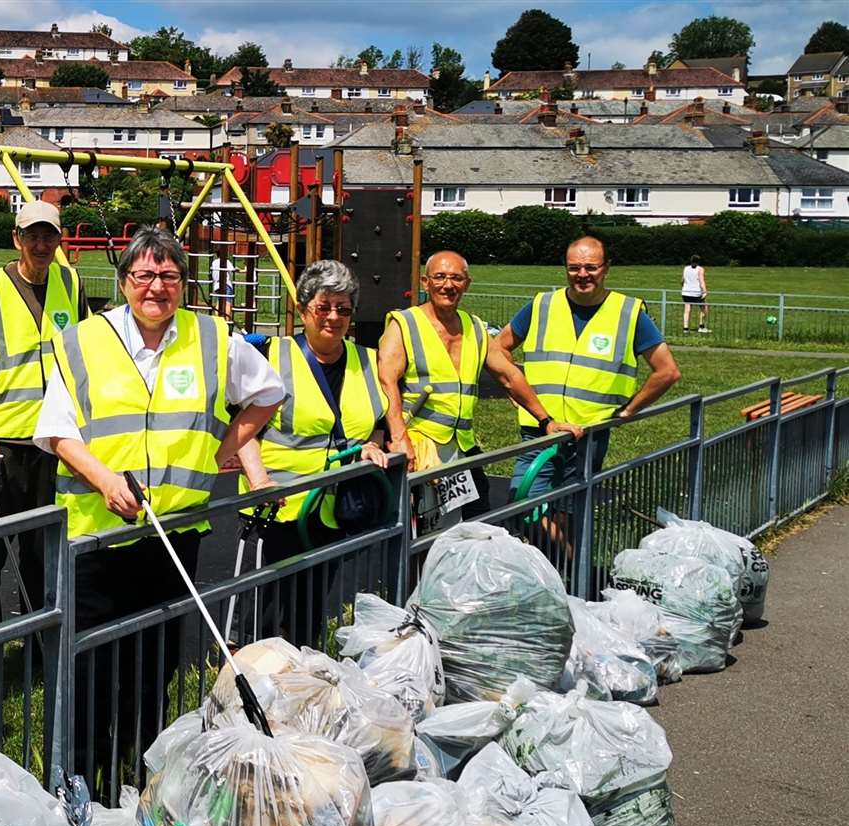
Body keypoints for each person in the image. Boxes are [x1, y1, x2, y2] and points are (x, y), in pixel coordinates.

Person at [37, 226, 283, 786]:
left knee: (155, 665)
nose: (156, 288)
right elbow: (57, 429)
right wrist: (103, 481)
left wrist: (226, 447)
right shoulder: (82, 340)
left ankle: (142, 777)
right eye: (144, 276)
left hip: (174, 534)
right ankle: (78, 782)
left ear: (182, 282)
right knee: (90, 668)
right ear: (124, 282)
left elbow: (267, 393)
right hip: (96, 538)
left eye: (169, 276)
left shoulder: (213, 338)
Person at [236, 260, 393, 643]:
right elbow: (242, 429)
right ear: (303, 309)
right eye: (323, 307)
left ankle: (304, 688)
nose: (333, 317)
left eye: (343, 308)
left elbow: (375, 416)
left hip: (332, 511)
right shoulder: (272, 357)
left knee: (309, 612)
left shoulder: (367, 361)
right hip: (278, 508)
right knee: (261, 617)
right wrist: (259, 480)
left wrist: (371, 444)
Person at [377, 250, 581, 527]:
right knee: (421, 530)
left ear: (467, 284)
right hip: (420, 445)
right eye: (439, 277)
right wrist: (400, 437)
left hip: (463, 445)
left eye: (456, 278)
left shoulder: (473, 327)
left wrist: (546, 420)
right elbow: (386, 379)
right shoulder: (404, 324)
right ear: (426, 282)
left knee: (476, 524)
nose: (448, 285)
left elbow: (509, 376)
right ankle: (416, 572)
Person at [0, 201, 86, 646]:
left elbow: (85, 355)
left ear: (59, 239)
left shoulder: (70, 283)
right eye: (31, 235)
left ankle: (41, 643)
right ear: (16, 239)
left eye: (48, 235)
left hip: (54, 441)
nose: (40, 244)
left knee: (41, 551)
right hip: (5, 442)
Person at [496, 236, 681, 499]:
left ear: (606, 268)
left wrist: (629, 411)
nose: (582, 274)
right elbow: (497, 348)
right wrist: (515, 391)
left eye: (591, 267)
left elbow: (668, 371)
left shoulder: (627, 313)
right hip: (540, 427)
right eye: (574, 268)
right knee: (522, 502)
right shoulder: (542, 305)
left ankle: (561, 542)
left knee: (569, 508)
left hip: (588, 433)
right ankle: (541, 541)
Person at [682, 255, 709, 334]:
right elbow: (701, 281)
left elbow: (682, 280)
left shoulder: (686, 268)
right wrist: (705, 291)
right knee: (704, 308)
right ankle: (701, 326)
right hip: (696, 293)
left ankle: (685, 328)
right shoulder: (700, 269)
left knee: (687, 310)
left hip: (686, 292)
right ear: (698, 262)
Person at [208, 249, 236, 318]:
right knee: (227, 303)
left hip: (217, 285)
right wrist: (238, 269)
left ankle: (217, 319)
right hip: (226, 284)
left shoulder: (214, 262)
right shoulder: (226, 261)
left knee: (219, 302)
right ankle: (226, 321)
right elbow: (232, 269)